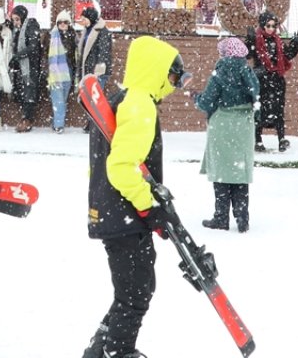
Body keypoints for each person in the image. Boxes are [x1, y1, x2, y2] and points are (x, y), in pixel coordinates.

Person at [82, 35, 188, 358]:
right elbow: (122, 168)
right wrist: (149, 206)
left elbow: (106, 164)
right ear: (155, 70)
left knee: (131, 290)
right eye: (173, 76)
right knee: (136, 293)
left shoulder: (121, 99)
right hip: (125, 214)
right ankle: (118, 351)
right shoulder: (140, 104)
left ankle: (100, 349)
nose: (174, 85)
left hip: (113, 212)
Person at [193, 37, 260, 232]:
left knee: (222, 173)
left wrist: (196, 98)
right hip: (244, 127)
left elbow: (206, 102)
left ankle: (221, 217)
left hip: (222, 125)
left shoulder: (220, 72)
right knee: (240, 173)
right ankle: (242, 218)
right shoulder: (248, 72)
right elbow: (256, 98)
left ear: (224, 53)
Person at [245, 11, 298, 153]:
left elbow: (288, 55)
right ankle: (258, 141)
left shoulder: (278, 41)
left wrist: (295, 43)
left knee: (278, 108)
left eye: (273, 26)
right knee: (258, 109)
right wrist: (250, 40)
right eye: (268, 25)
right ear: (262, 25)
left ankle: (281, 139)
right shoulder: (258, 39)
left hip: (276, 79)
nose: (271, 28)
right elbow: (248, 54)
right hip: (261, 79)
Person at [9, 4, 44, 132]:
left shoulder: (31, 25)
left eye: (17, 19)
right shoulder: (18, 29)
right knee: (23, 93)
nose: (15, 22)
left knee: (29, 93)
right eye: (13, 20)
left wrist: (18, 56)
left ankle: (27, 120)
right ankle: (25, 118)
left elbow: (33, 46)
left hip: (31, 67)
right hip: (23, 68)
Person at [46, 10, 79, 134]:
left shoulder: (73, 36)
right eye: (60, 22)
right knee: (58, 99)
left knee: (62, 99)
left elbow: (76, 55)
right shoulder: (51, 36)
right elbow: (46, 55)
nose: (63, 24)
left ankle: (56, 120)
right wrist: (48, 70)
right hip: (55, 72)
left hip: (68, 71)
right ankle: (59, 125)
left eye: (65, 22)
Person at [77, 6, 113, 91]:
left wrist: (98, 71)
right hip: (89, 69)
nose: (82, 22)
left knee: (94, 98)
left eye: (84, 19)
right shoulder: (87, 30)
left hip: (97, 71)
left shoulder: (102, 31)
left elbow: (104, 51)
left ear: (91, 18)